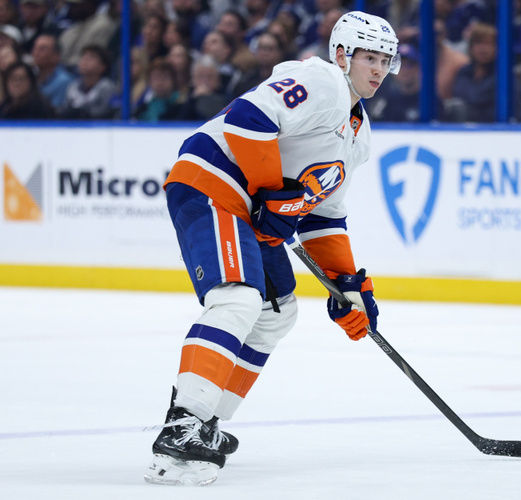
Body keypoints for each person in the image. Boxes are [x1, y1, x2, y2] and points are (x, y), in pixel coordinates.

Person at [144, 10, 400, 486]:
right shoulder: (321, 80)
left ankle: (207, 422)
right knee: (238, 297)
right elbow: (247, 117)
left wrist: (347, 285)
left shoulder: (357, 135)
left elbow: (324, 216)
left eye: (385, 60)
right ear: (342, 55)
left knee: (276, 312)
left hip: (248, 207)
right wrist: (266, 193)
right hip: (213, 185)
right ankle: (182, 424)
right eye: (369, 58)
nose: (379, 70)